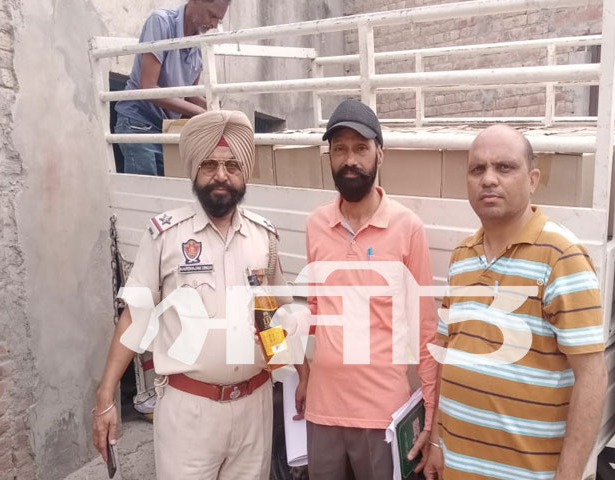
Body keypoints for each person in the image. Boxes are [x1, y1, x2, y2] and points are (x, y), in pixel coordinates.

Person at [92, 110, 306, 480]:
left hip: (254, 409)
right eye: (210, 164)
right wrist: (105, 395)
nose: (221, 175)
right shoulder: (166, 236)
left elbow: (271, 316)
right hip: (189, 412)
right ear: (194, 171)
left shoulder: (264, 238)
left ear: (244, 173)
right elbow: (135, 317)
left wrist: (303, 375)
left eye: (232, 166)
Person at [436, 124, 607, 480]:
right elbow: (447, 350)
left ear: (532, 179)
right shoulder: (461, 256)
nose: (488, 179)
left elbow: (591, 377)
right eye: (477, 169)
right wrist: (438, 442)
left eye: (504, 167)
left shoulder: (561, 257)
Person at [291, 99, 442, 479]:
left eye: (360, 148)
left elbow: (425, 327)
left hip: (382, 416)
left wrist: (432, 415)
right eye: (339, 149)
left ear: (380, 154)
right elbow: (316, 308)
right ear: (329, 157)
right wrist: (301, 367)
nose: (350, 160)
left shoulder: (408, 228)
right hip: (322, 412)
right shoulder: (315, 225)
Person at [114, 0, 231, 176]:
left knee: (171, 189)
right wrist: (201, 113)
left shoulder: (200, 44)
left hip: (166, 128)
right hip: (138, 120)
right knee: (148, 189)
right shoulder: (160, 22)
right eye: (211, 15)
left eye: (219, 20)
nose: (214, 24)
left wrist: (216, 110)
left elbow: (189, 93)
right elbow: (147, 87)